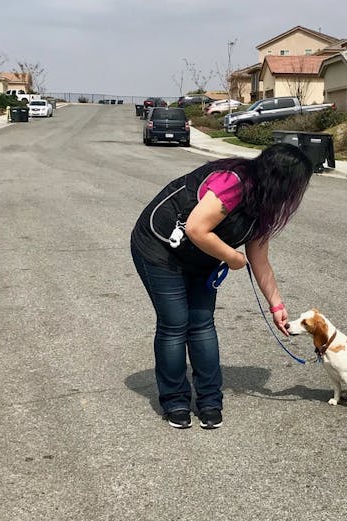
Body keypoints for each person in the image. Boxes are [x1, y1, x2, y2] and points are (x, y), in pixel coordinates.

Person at [130, 143, 314, 429]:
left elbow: (260, 260)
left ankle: (209, 400)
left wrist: (276, 305)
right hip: (160, 248)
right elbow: (195, 229)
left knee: (202, 324)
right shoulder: (232, 182)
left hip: (201, 256)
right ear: (282, 180)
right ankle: (175, 400)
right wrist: (232, 257)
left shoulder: (265, 203)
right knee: (175, 323)